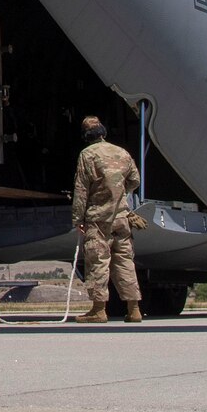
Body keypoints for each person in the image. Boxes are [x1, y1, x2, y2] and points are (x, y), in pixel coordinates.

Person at [71, 114, 143, 323]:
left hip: (98, 218)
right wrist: (118, 194)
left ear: (85, 135)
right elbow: (135, 181)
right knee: (124, 262)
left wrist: (78, 219)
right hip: (121, 217)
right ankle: (134, 309)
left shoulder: (87, 155)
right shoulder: (122, 153)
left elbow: (81, 189)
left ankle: (99, 310)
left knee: (98, 262)